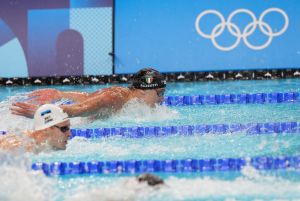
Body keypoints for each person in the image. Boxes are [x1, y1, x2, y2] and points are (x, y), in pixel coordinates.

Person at [11, 68, 166, 119]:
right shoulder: (115, 97)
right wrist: (44, 113)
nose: (162, 98)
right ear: (141, 92)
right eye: (159, 93)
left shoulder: (124, 96)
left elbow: (88, 98)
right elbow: (81, 109)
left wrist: (59, 94)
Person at [0, 104, 71, 152]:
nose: (69, 134)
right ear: (46, 129)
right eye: (64, 129)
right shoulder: (20, 147)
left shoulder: (47, 145)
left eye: (68, 128)